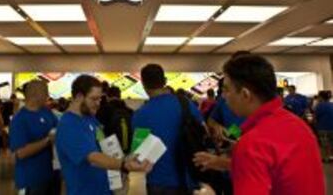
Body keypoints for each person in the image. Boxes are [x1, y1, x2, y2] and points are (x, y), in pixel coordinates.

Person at [219, 54, 324, 194]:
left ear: (245, 94)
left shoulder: (252, 144)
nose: (223, 96)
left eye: (226, 89)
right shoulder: (299, 125)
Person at [56, 75, 152, 195]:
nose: (98, 103)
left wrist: (125, 160)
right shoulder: (69, 125)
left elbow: (105, 147)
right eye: (94, 99)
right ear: (79, 97)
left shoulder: (90, 118)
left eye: (100, 99)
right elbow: (93, 158)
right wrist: (123, 165)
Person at [133, 64, 205, 194]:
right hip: (187, 176)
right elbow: (203, 130)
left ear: (143, 84)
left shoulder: (140, 114)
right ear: (165, 81)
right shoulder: (185, 103)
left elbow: (140, 154)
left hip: (157, 180)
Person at [10, 80, 59, 195]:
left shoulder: (47, 113)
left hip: (51, 176)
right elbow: (20, 153)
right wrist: (47, 140)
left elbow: (58, 131)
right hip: (30, 180)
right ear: (36, 94)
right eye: (45, 92)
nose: (48, 96)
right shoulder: (19, 119)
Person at [314, 90, 333, 162]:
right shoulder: (332, 104)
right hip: (332, 127)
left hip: (323, 128)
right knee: (331, 143)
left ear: (321, 97)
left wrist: (316, 126)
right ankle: (331, 156)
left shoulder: (319, 106)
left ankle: (326, 158)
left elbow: (315, 119)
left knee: (325, 144)